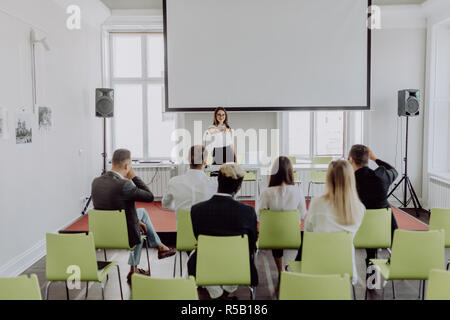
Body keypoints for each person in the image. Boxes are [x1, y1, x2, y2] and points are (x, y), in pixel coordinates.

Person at [91, 149, 176, 283]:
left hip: (102, 235)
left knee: (141, 213)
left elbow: (112, 209)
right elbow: (149, 197)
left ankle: (158, 247)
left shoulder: (96, 182)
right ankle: (155, 249)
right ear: (127, 166)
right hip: (123, 236)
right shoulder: (125, 184)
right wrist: (134, 177)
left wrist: (135, 219)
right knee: (138, 228)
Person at [187, 163, 258, 299]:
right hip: (239, 265)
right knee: (245, 255)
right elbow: (251, 243)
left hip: (206, 263)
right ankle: (224, 294)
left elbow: (198, 237)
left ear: (218, 181)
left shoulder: (197, 210)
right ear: (239, 186)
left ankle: (218, 295)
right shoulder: (247, 212)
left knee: (196, 255)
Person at [295, 160, 365, 285]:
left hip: (316, 266)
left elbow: (308, 232)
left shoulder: (317, 203)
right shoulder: (359, 208)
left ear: (329, 178)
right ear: (351, 179)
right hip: (345, 269)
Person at [348, 145, 399, 277]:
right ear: (367, 159)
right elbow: (393, 170)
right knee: (382, 210)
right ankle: (377, 270)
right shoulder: (381, 177)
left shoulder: (348, 181)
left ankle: (371, 267)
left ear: (351, 159)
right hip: (384, 229)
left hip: (358, 231)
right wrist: (375, 158)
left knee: (365, 214)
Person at [258, 156, 307, 275]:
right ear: (290, 172)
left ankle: (280, 271)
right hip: (293, 235)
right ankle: (294, 266)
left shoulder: (266, 192)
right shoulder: (298, 191)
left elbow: (260, 215)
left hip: (270, 237)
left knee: (275, 232)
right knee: (306, 238)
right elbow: (302, 214)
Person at [162, 145, 217, 214]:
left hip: (183, 224)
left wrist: (179, 207)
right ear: (205, 163)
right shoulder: (214, 183)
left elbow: (165, 205)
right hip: (206, 223)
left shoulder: (174, 181)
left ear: (188, 159)